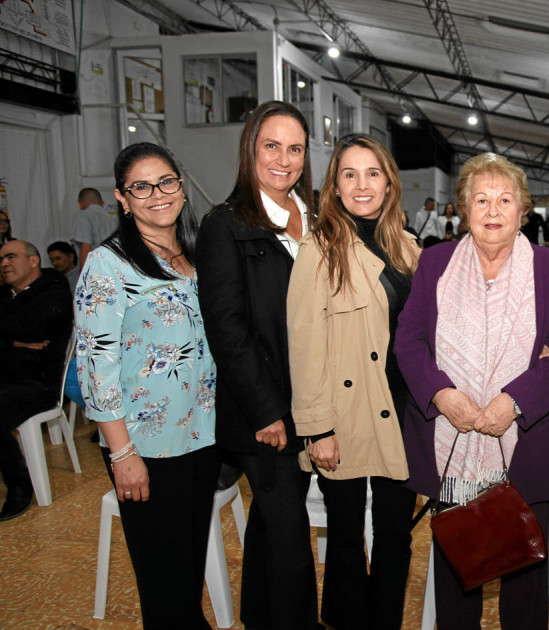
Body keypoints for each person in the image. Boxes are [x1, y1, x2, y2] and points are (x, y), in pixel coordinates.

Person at [395, 152, 549, 630]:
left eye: (505, 200)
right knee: (458, 572)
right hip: (451, 448)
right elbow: (408, 340)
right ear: (463, 209)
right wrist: (441, 394)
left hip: (526, 449)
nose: (493, 211)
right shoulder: (435, 262)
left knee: (525, 584)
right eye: (481, 200)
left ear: (523, 210)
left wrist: (513, 402)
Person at [74, 143, 218, 628]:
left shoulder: (195, 253)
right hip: (146, 445)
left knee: (187, 568)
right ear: (122, 198)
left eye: (166, 182)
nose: (157, 194)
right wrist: (122, 454)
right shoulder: (108, 264)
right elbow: (96, 366)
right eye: (141, 187)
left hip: (202, 434)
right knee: (164, 581)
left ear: (181, 185)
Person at [287, 133, 421, 630]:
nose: (362, 185)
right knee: (345, 537)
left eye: (372, 174)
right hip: (344, 415)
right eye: (350, 174)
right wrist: (317, 428)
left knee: (396, 535)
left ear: (389, 184)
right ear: (335, 187)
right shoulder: (319, 249)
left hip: (402, 410)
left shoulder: (408, 247)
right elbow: (304, 344)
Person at [195, 101, 320, 629]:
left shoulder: (314, 216)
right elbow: (227, 329)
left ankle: (259, 617)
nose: (283, 159)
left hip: (309, 400)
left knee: (272, 524)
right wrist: (266, 410)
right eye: (272, 146)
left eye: (295, 148)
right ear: (250, 149)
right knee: (290, 531)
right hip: (264, 412)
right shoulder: (225, 224)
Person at [0, 240, 72, 521]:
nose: (4, 263)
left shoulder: (54, 290)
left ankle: (19, 486)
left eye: (10, 257)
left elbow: (35, 328)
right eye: (1, 259)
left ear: (33, 261)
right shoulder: (5, 295)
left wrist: (11, 337)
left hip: (39, 383)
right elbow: (19, 330)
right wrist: (14, 342)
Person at [74, 187, 116, 268]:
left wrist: (84, 273)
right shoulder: (113, 217)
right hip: (114, 265)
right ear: (103, 203)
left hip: (96, 266)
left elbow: (85, 248)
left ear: (80, 203)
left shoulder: (83, 215)